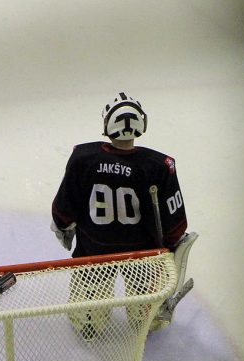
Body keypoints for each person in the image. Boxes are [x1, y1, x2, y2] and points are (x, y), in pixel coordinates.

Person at [50, 93, 191, 337]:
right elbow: (173, 223)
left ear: (107, 124)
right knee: (143, 303)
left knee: (89, 305)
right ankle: (142, 324)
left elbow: (65, 206)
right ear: (141, 125)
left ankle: (90, 326)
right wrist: (171, 242)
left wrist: (62, 225)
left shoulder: (83, 157)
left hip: (94, 248)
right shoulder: (159, 165)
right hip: (141, 251)